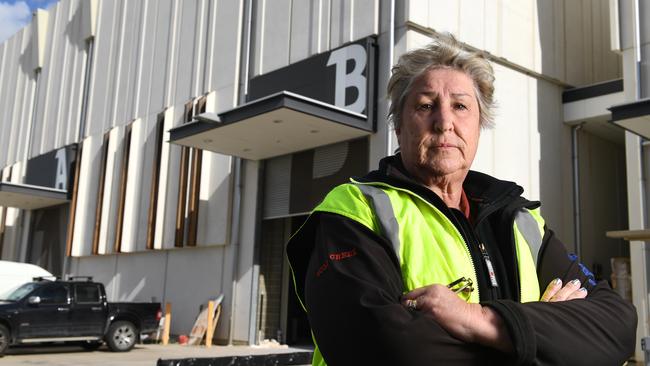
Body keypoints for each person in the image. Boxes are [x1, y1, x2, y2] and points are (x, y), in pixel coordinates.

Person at [286, 33, 637, 366]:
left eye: (460, 106)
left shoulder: (519, 220)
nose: (444, 122)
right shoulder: (356, 210)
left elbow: (617, 324)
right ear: (398, 126)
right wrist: (545, 340)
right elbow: (384, 349)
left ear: (479, 124)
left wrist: (480, 321)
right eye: (425, 106)